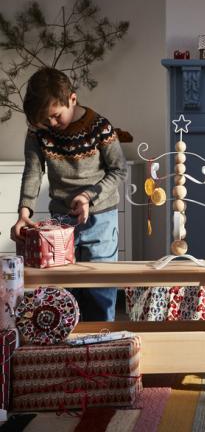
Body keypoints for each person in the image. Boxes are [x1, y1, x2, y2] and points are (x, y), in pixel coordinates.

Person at [11, 67, 127, 321]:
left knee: (100, 288)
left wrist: (88, 196)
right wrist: (23, 214)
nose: (51, 125)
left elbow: (119, 171)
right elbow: (33, 171)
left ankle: (102, 349)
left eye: (55, 116)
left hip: (101, 219)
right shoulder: (38, 131)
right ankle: (65, 351)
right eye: (44, 120)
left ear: (72, 99)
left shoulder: (100, 127)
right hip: (61, 221)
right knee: (60, 293)